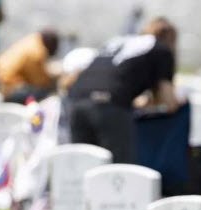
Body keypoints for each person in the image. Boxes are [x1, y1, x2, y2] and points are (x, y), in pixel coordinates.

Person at [68, 16, 179, 164]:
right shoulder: (161, 49)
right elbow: (169, 102)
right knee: (119, 173)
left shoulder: (119, 41)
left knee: (82, 167)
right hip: (109, 104)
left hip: (77, 100)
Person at [0, 29, 59, 103]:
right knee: (45, 94)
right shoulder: (37, 52)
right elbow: (39, 82)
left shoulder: (33, 39)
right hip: (8, 87)